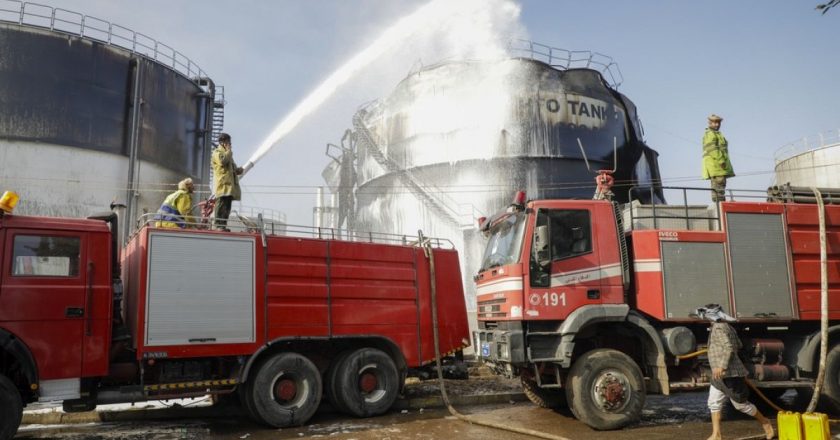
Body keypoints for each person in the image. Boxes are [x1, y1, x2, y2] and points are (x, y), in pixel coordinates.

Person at [693, 304, 774, 440]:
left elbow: (730, 347)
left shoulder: (719, 328)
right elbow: (738, 344)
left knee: (741, 405)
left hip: (729, 373)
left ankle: (765, 422)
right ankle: (716, 435)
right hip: (718, 375)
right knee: (714, 402)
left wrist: (722, 366)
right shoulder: (727, 326)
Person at [211, 132, 243, 231]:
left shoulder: (229, 155)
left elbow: (231, 168)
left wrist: (238, 170)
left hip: (229, 186)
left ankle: (223, 225)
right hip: (222, 185)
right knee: (221, 205)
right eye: (228, 142)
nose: (230, 144)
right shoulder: (217, 152)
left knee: (227, 207)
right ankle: (218, 225)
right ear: (223, 142)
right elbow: (222, 161)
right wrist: (229, 151)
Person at [701, 114, 735, 202]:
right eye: (715, 123)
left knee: (720, 188)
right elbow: (712, 149)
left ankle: (720, 203)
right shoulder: (710, 134)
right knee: (719, 188)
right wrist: (721, 160)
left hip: (718, 167)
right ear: (710, 123)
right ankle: (720, 205)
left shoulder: (716, 134)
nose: (717, 124)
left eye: (718, 123)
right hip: (717, 166)